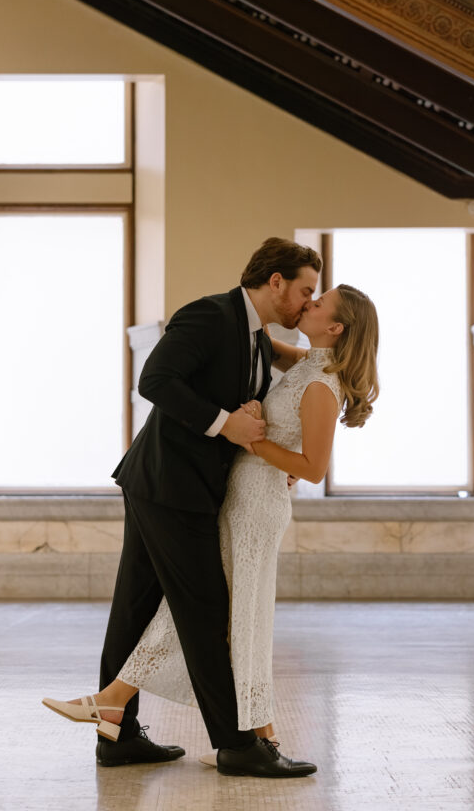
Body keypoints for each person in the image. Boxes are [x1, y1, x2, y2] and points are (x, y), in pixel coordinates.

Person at [44, 276, 379, 776]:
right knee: (220, 613)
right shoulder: (306, 362)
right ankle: (245, 734)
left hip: (256, 509)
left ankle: (125, 703)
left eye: (320, 300)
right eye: (307, 289)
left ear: (335, 327)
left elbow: (312, 468)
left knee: (231, 616)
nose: (310, 301)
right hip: (234, 498)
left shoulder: (320, 385)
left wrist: (252, 440)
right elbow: (255, 339)